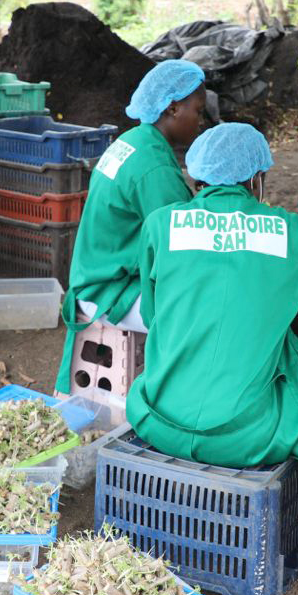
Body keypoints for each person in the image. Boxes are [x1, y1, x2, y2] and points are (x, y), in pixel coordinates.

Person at [128, 123, 298, 468]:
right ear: (257, 180)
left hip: (157, 419)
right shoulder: (293, 232)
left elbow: (154, 317)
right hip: (245, 436)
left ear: (197, 179)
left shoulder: (160, 224)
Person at [53, 59, 204, 392]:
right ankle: (174, 402)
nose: (201, 121)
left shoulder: (133, 141)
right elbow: (185, 244)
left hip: (93, 275)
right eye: (199, 110)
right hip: (109, 289)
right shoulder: (153, 168)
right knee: (200, 313)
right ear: (174, 108)